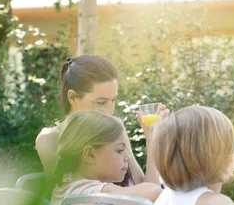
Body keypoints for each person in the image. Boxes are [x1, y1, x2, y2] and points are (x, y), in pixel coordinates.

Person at [35, 55, 166, 185]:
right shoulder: (50, 139)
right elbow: (62, 200)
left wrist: (152, 141)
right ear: (73, 97)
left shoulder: (115, 126)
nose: (110, 111)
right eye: (101, 102)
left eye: (113, 100)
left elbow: (146, 188)